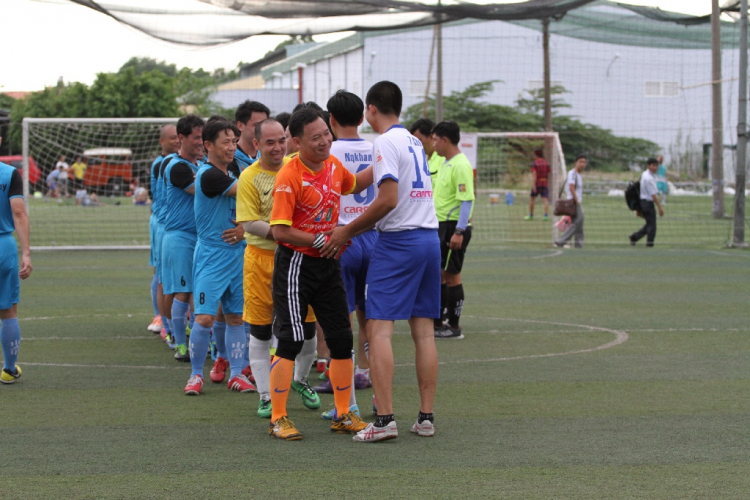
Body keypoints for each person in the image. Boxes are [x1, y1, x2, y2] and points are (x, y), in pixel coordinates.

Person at [323, 81, 440, 443]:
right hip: (428, 239)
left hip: (399, 240)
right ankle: (425, 417)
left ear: (370, 110)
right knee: (423, 332)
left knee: (378, 329)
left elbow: (387, 200)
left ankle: (385, 418)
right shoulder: (411, 141)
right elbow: (359, 183)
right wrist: (324, 183)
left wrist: (346, 231)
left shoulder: (385, 142)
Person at [266, 107, 373, 440]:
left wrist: (389, 162)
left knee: (341, 338)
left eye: (327, 133)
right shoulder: (289, 176)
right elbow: (280, 232)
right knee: (291, 340)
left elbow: (355, 185)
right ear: (296, 142)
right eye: (317, 138)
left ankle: (343, 414)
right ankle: (278, 418)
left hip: (329, 263)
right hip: (297, 265)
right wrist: (323, 238)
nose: (326, 141)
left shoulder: (333, 166)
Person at [236, 118, 321, 417]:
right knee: (260, 330)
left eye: (281, 140)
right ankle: (265, 395)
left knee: (308, 329)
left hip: (300, 258)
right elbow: (248, 223)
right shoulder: (248, 177)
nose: (277, 147)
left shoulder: (298, 167)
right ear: (256, 144)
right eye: (269, 142)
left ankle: (300, 379)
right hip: (261, 261)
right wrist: (282, 232)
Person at [182, 119, 256, 395]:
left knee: (236, 317)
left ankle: (237, 374)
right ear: (208, 145)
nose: (231, 147)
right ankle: (195, 375)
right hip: (212, 256)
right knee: (204, 319)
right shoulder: (208, 175)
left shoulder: (233, 171)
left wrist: (244, 229)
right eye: (225, 142)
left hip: (237, 255)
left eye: (234, 142)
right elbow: (252, 193)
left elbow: (250, 207)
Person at [325, 89, 377, 407]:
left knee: (339, 321)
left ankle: (348, 402)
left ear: (331, 120)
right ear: (361, 118)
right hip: (374, 237)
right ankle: (366, 373)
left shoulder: (326, 151)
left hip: (340, 239)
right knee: (371, 317)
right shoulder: (376, 149)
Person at [161, 115, 205, 361]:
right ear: (181, 138)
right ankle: (179, 345)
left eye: (203, 137)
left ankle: (201, 342)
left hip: (199, 238)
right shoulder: (177, 166)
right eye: (196, 137)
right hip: (179, 237)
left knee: (198, 291)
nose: (201, 142)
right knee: (182, 291)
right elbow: (201, 189)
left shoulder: (199, 165)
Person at [432, 120, 475, 340]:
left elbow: (466, 200)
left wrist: (459, 231)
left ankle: (455, 327)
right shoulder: (445, 162)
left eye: (436, 139)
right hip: (442, 225)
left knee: (452, 276)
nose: (434, 143)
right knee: (442, 273)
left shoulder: (460, 164)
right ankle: (439, 321)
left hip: (453, 227)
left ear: (445, 140)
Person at [0, 138, 32, 384]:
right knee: (8, 310)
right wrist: (26, 252)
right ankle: (9, 370)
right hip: (3, 247)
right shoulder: (10, 173)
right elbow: (19, 212)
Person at [147, 124, 180, 336]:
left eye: (179, 137)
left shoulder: (177, 162)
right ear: (162, 141)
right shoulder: (164, 164)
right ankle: (160, 316)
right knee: (162, 275)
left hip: (171, 223)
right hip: (163, 223)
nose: (176, 141)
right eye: (172, 138)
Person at [630, 158, 664, 247]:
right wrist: (660, 207)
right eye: (653, 165)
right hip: (647, 203)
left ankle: (634, 237)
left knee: (649, 224)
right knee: (652, 225)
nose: (655, 168)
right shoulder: (649, 178)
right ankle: (650, 243)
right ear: (648, 166)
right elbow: (653, 195)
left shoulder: (644, 174)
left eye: (656, 165)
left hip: (643, 201)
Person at [554, 155, 587, 249]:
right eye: (580, 162)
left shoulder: (579, 175)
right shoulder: (572, 173)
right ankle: (561, 240)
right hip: (573, 202)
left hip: (577, 201)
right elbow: (571, 186)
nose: (582, 164)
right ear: (575, 162)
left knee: (579, 222)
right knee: (579, 220)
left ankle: (579, 244)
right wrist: (576, 200)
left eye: (584, 162)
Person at [234, 100, 270, 171]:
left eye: (264, 125)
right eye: (257, 125)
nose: (262, 129)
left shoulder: (267, 155)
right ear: (240, 126)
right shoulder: (230, 158)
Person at [525, 148, 550, 221]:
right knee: (545, 200)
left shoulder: (535, 163)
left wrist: (534, 185)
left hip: (537, 183)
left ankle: (531, 215)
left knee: (532, 199)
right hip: (544, 183)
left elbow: (534, 174)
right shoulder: (546, 163)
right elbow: (548, 173)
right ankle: (546, 216)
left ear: (536, 154)